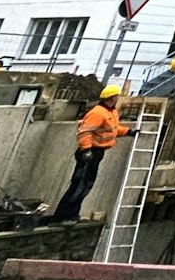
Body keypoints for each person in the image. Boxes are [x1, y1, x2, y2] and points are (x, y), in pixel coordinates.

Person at [51, 84, 136, 223]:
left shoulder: (110, 112)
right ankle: (62, 216)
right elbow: (85, 131)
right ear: (112, 97)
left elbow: (112, 130)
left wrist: (128, 132)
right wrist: (86, 149)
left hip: (97, 153)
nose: (118, 98)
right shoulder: (98, 113)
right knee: (78, 186)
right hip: (89, 153)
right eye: (117, 96)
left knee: (86, 185)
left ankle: (72, 214)